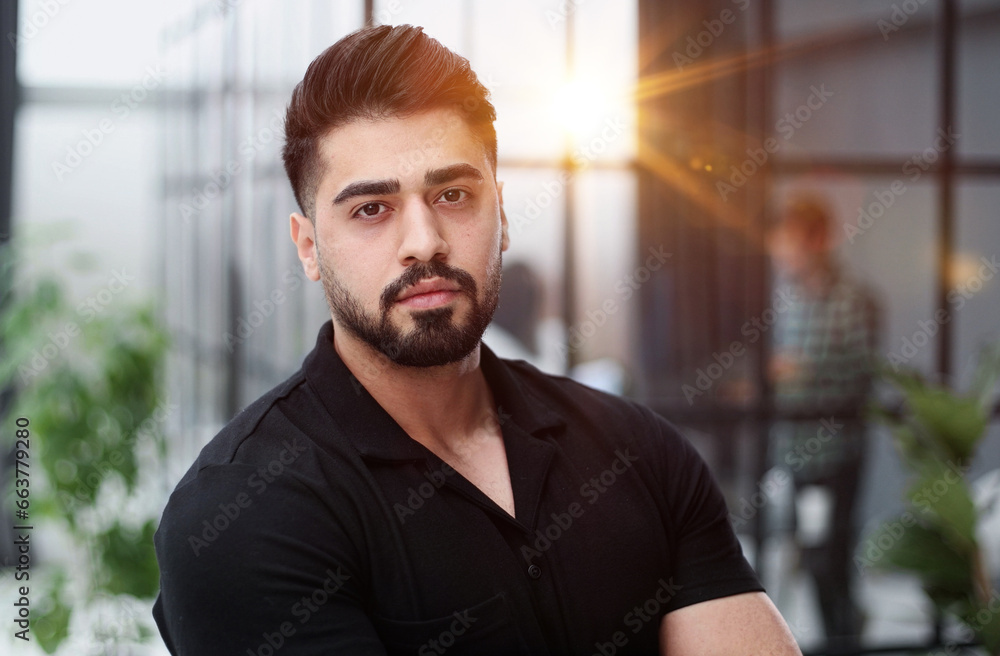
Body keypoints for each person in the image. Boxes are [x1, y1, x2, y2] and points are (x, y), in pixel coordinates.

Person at [152, 24, 802, 655]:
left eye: (454, 194)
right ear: (308, 247)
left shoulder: (640, 452)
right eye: (371, 210)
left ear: (503, 212)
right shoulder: (244, 512)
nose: (425, 241)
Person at [766, 194, 880, 650]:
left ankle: (844, 637)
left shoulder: (854, 299)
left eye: (789, 240)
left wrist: (801, 371)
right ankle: (834, 636)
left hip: (835, 454)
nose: (780, 250)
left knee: (831, 558)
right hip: (794, 452)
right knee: (809, 557)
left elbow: (860, 376)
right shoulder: (788, 297)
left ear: (815, 240)